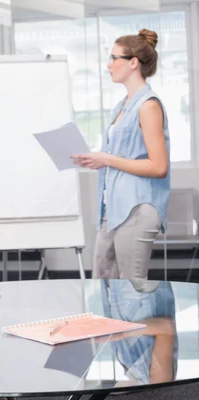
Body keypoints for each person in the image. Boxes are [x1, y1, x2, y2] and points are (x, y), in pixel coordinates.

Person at [72, 29, 170, 279]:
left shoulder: (148, 106)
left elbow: (159, 167)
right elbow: (123, 156)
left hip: (136, 208)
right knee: (103, 284)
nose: (109, 65)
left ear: (133, 63)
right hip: (113, 208)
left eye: (114, 58)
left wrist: (107, 159)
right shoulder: (122, 106)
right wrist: (98, 159)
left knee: (131, 289)